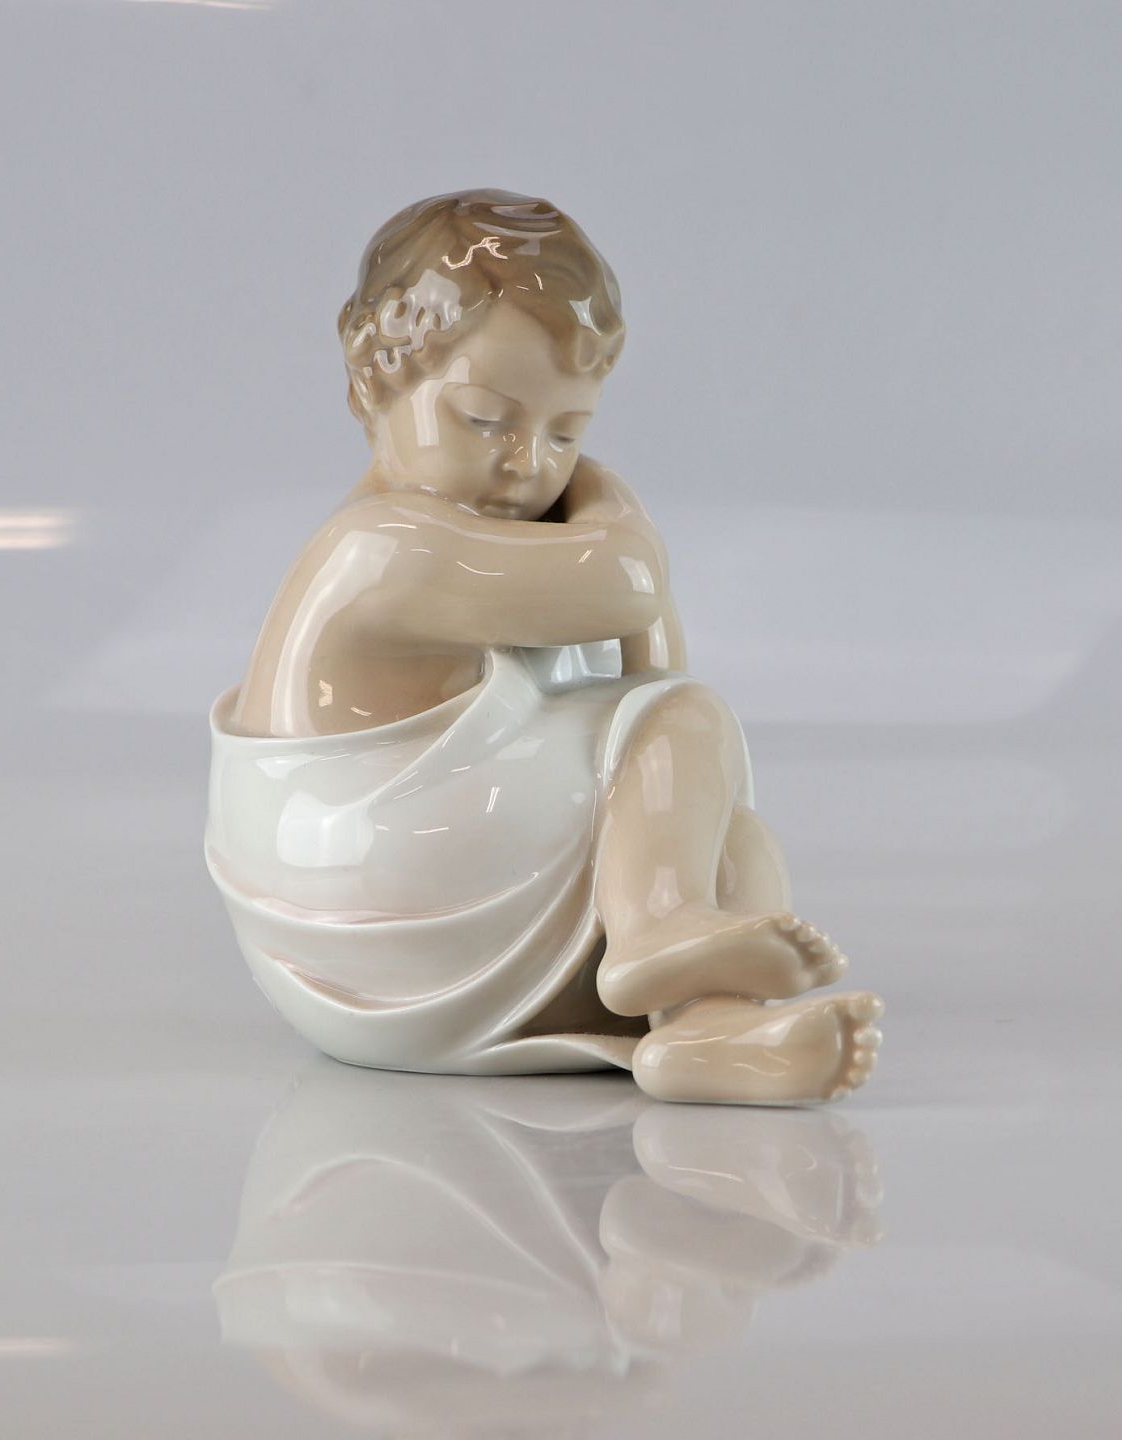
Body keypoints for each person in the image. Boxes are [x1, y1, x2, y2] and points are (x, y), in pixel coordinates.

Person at [206, 190, 882, 1104]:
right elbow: (635, 595)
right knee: (687, 721)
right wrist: (607, 494)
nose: (528, 463)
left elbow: (652, 666)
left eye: (568, 432)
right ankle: (657, 931)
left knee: (730, 831)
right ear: (377, 381)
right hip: (369, 885)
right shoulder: (381, 549)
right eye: (486, 419)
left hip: (447, 865)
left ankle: (705, 1028)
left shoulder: (515, 544)